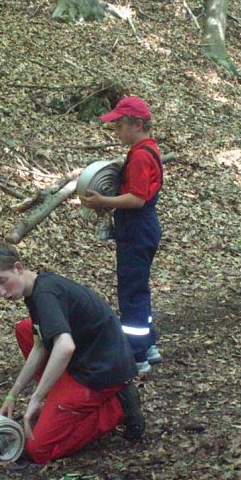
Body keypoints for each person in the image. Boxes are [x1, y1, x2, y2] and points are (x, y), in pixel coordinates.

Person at [0, 241, 144, 464]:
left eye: (2, 281)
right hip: (87, 357)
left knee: (38, 450)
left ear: (18, 267)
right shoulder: (34, 290)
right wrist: (13, 394)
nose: (1, 292)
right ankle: (62, 398)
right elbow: (39, 346)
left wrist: (36, 398)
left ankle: (118, 406)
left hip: (101, 371)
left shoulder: (45, 294)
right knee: (25, 329)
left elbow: (65, 346)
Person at [81, 95, 163, 375]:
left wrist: (104, 202)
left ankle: (136, 356)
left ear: (137, 124)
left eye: (119, 127)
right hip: (143, 227)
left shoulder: (140, 155)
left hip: (137, 228)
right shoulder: (147, 149)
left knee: (131, 293)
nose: (115, 133)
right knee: (138, 289)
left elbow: (137, 199)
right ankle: (149, 344)